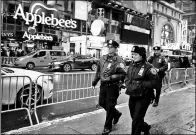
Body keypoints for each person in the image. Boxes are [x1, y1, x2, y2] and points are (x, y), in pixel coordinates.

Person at [92, 40, 126, 135]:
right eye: (109, 47)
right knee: (102, 103)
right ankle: (116, 114)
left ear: (116, 48)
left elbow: (123, 74)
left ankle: (107, 127)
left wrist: (112, 77)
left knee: (110, 106)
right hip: (103, 85)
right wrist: (95, 81)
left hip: (113, 86)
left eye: (111, 47)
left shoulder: (119, 60)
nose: (109, 49)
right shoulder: (103, 58)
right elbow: (99, 72)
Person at [125, 46, 159, 135]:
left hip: (144, 96)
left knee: (136, 120)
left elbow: (155, 83)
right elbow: (127, 76)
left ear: (141, 56)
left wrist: (140, 84)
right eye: (132, 54)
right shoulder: (131, 65)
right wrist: (126, 83)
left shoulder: (148, 67)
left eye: (135, 54)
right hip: (132, 95)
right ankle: (146, 127)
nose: (133, 56)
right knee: (136, 119)